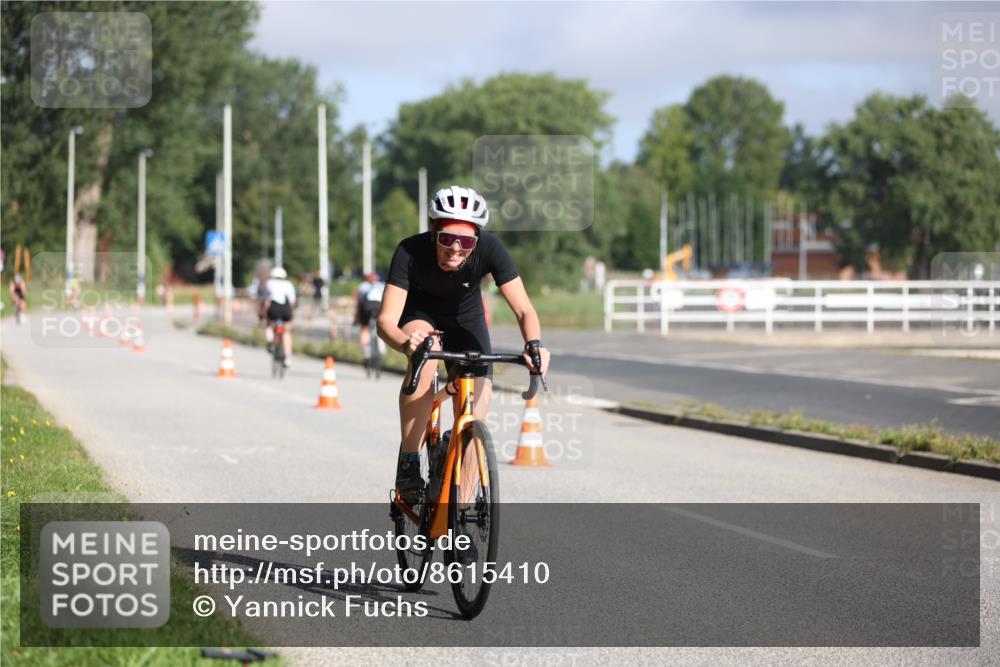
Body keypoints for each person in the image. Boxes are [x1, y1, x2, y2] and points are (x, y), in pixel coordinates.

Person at [376, 185, 550, 503]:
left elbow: (525, 309)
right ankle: (410, 463)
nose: (456, 248)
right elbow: (386, 321)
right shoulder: (409, 251)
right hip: (420, 317)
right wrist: (405, 344)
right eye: (447, 239)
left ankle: (465, 514)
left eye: (466, 241)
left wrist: (534, 345)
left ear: (477, 240)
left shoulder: (491, 248)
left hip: (466, 322)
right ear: (433, 232)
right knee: (425, 356)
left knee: (472, 423)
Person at [264, 266, 296, 367]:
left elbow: (265, 300)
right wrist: (292, 315)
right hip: (286, 309)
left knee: (268, 324)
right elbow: (292, 302)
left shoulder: (269, 283)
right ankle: (288, 358)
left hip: (274, 308)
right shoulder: (289, 284)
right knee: (287, 332)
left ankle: (270, 341)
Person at [356, 272, 386, 364]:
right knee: (381, 328)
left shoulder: (362, 286)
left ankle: (366, 353)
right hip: (378, 307)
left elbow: (359, 303)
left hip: (366, 308)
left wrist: (357, 317)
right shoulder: (382, 286)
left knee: (364, 329)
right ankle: (381, 349)